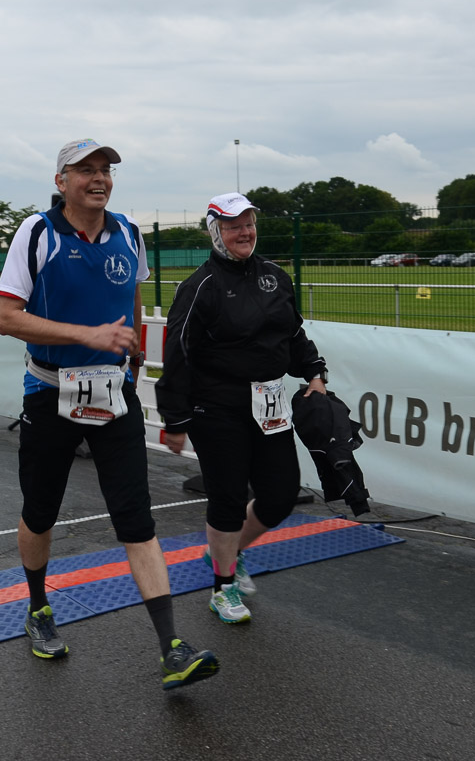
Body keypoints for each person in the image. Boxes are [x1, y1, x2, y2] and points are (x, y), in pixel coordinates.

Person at [0, 138, 219, 690]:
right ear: (61, 181)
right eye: (86, 170)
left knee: (137, 520)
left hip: (114, 394)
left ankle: (172, 647)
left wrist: (133, 357)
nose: (99, 178)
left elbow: (132, 301)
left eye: (106, 170)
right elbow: (6, 317)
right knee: (40, 513)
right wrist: (87, 335)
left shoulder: (128, 233)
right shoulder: (38, 233)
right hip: (49, 392)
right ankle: (38, 607)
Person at [156, 193, 328, 625]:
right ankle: (223, 586)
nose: (244, 232)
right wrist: (175, 418)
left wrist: (314, 372)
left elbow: (292, 333)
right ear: (215, 232)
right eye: (233, 226)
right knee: (228, 498)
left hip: (269, 405)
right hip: (216, 407)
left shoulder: (275, 276)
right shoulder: (200, 287)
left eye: (249, 224)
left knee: (281, 495)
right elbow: (177, 352)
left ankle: (229, 552)